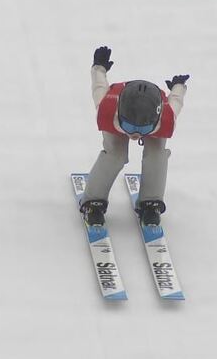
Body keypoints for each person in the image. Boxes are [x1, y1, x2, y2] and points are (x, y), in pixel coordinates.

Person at [80, 46, 189, 227]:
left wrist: (179, 86)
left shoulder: (166, 118)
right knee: (115, 155)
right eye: (130, 128)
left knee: (157, 157)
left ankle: (151, 203)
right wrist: (99, 67)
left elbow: (176, 100)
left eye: (141, 130)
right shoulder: (107, 108)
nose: (135, 134)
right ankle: (93, 202)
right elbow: (99, 86)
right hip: (118, 121)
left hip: (149, 122)